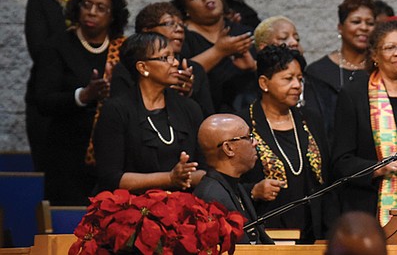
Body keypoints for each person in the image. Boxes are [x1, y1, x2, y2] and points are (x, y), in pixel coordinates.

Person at [35, 0, 128, 205]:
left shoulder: (124, 49)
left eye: (101, 7)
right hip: (67, 156)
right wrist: (83, 96)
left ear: (113, 14)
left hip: (113, 158)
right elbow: (43, 100)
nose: (92, 12)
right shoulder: (57, 45)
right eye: (87, 4)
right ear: (77, 6)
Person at [331, 19, 397, 226]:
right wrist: (377, 168)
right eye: (390, 47)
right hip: (367, 208)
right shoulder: (354, 95)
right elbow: (341, 161)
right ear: (374, 55)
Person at [239, 45, 330, 243]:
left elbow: (328, 177)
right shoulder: (242, 124)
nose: (297, 85)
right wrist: (253, 191)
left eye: (299, 78)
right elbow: (225, 180)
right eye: (288, 79)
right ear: (264, 83)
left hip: (312, 231)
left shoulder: (310, 120)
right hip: (266, 231)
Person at [94, 32, 205, 193]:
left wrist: (184, 176)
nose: (175, 63)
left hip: (183, 203)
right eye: (165, 57)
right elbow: (110, 177)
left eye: (175, 56)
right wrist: (169, 178)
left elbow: (205, 169)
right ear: (142, 67)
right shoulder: (117, 110)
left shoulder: (189, 108)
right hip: (131, 206)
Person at [25, 0, 93, 172]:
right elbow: (39, 50)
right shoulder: (41, 1)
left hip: (90, 102)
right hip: (49, 100)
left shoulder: (96, 3)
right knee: (52, 173)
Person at [110, 2, 215, 117]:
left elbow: (207, 120)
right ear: (147, 31)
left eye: (181, 25)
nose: (179, 29)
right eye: (169, 23)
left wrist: (189, 94)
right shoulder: (126, 68)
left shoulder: (195, 70)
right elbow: (121, 113)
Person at [174, 0, 256, 112]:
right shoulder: (181, 38)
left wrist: (253, 66)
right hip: (202, 117)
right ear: (186, 10)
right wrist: (219, 51)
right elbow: (178, 74)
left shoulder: (244, 32)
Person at [305, 0, 376, 143]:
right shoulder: (318, 72)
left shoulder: (379, 70)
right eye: (356, 21)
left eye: (370, 23)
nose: (364, 27)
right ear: (340, 27)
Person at [193, 114, 274, 244]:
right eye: (249, 137)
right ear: (228, 148)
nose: (255, 143)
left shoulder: (232, 185)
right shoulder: (211, 197)